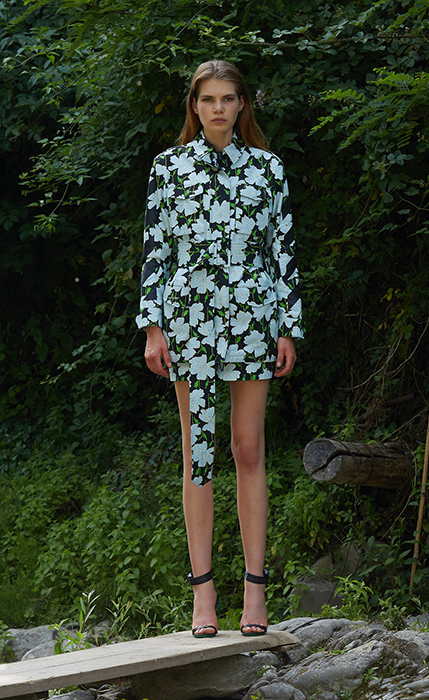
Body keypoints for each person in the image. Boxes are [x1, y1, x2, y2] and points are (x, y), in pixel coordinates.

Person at [136, 60, 303, 638]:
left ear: (241, 105)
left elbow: (283, 252)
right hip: (188, 322)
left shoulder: (268, 169)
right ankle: (202, 595)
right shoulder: (168, 168)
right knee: (197, 454)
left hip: (254, 319)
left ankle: (255, 592)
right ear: (194, 106)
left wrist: (287, 327)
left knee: (248, 449)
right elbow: (156, 250)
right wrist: (152, 327)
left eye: (227, 98)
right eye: (207, 99)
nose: (217, 108)